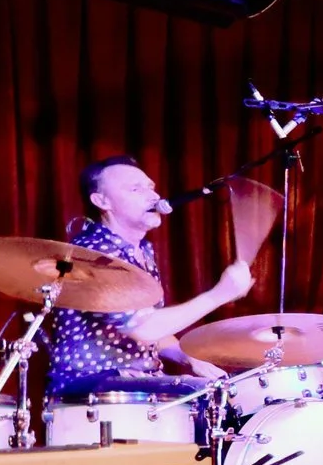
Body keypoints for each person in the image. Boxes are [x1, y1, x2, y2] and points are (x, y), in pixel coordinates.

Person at [47, 156, 254, 396]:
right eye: (136, 189)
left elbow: (148, 326)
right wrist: (219, 295)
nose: (154, 196)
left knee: (216, 393)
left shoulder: (141, 250)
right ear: (102, 201)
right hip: (90, 386)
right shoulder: (93, 254)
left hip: (135, 383)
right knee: (197, 395)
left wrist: (187, 357)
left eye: (151, 187)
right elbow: (143, 328)